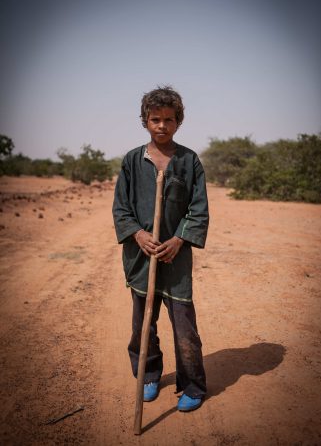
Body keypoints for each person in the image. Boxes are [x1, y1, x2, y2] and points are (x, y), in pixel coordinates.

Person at [112, 85, 209, 412]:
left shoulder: (189, 161)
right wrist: (138, 234)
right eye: (155, 119)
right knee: (143, 323)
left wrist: (179, 238)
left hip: (176, 259)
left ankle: (193, 385)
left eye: (169, 119)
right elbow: (121, 209)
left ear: (178, 122)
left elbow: (198, 209)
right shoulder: (132, 161)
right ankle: (149, 374)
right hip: (142, 259)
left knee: (184, 324)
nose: (162, 126)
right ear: (145, 121)